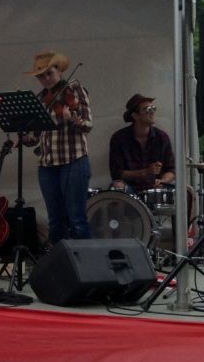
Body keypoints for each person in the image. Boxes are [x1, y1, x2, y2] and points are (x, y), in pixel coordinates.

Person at [20, 51, 92, 246]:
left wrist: (74, 120)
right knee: (55, 220)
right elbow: (35, 137)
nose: (46, 79)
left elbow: (88, 125)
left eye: (49, 73)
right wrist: (24, 136)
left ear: (59, 71)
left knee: (77, 219)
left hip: (73, 161)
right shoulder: (40, 99)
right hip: (47, 165)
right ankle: (61, 261)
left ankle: (86, 261)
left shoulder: (75, 90)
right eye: (40, 76)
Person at [109, 94, 175, 193]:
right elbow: (117, 174)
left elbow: (171, 170)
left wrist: (162, 181)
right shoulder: (119, 138)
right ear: (135, 115)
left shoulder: (162, 137)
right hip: (130, 188)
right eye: (147, 109)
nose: (152, 112)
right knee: (117, 186)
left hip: (156, 188)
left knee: (187, 190)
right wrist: (145, 172)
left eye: (153, 108)